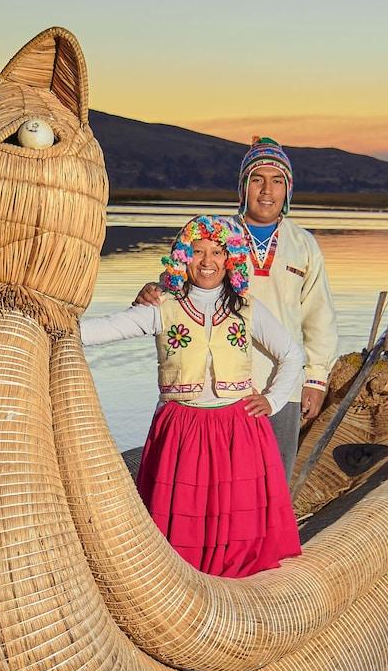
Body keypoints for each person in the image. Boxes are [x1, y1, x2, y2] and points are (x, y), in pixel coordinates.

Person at [83, 215, 304, 577]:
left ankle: (235, 586)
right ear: (182, 257)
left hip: (238, 428)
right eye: (197, 251)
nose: (207, 261)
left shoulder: (246, 310)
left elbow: (292, 355)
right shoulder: (162, 307)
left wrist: (273, 400)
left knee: (236, 514)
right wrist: (52, 326)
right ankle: (183, 583)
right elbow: (104, 329)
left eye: (217, 252)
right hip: (182, 428)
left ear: (230, 259)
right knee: (181, 516)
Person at [138, 137, 337, 474]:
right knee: (220, 479)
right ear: (243, 187)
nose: (266, 190)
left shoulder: (302, 244)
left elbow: (319, 317)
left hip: (281, 383)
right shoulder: (216, 234)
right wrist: (152, 291)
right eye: (257, 179)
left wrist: (315, 381)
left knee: (274, 479)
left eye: (277, 181)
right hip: (218, 383)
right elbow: (180, 280)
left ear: (288, 190)